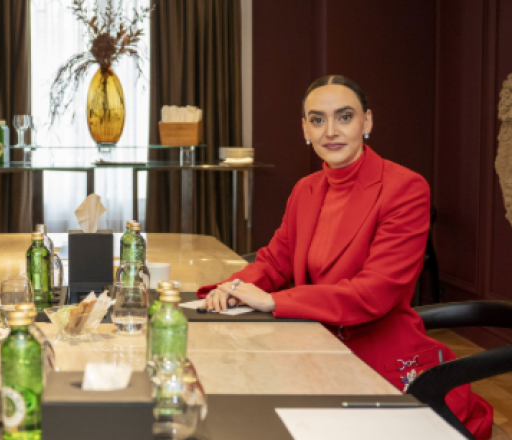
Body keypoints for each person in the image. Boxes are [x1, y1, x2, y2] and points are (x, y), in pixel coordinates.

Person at [200, 75, 493, 439]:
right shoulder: (305, 189)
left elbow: (374, 294)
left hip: (379, 361)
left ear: (366, 121)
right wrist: (233, 287)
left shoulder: (405, 187)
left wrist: (275, 301)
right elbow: (275, 261)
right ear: (305, 129)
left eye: (344, 116)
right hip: (311, 348)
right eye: (318, 120)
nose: (331, 132)